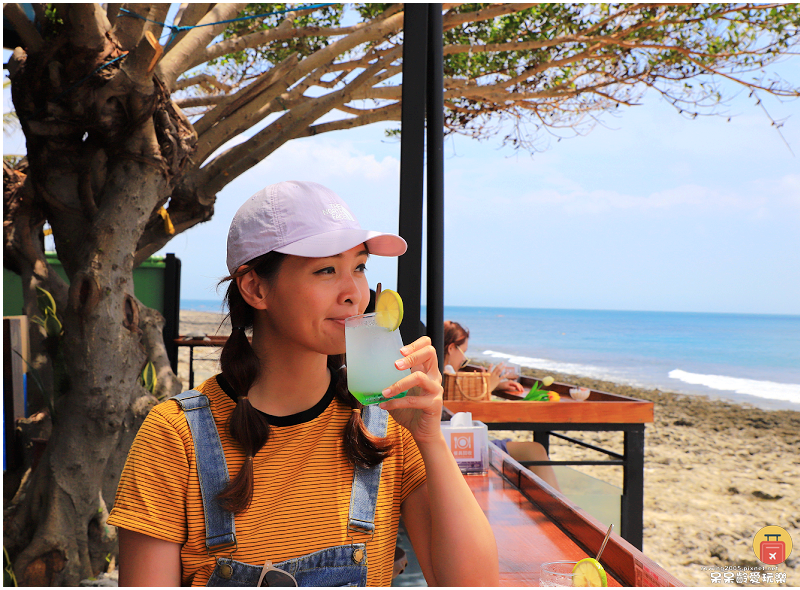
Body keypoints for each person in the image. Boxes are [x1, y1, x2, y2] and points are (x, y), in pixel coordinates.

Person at [108, 181, 499, 587]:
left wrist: (430, 438)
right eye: (327, 270)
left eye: (360, 267)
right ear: (255, 287)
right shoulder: (175, 437)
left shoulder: (387, 427)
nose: (354, 294)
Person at [443, 320, 561, 492]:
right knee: (535, 451)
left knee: (535, 451)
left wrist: (495, 385)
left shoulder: (440, 372)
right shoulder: (444, 375)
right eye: (464, 352)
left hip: (462, 445)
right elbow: (465, 416)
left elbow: (459, 393)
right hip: (465, 449)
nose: (463, 359)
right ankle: (557, 510)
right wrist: (488, 387)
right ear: (451, 348)